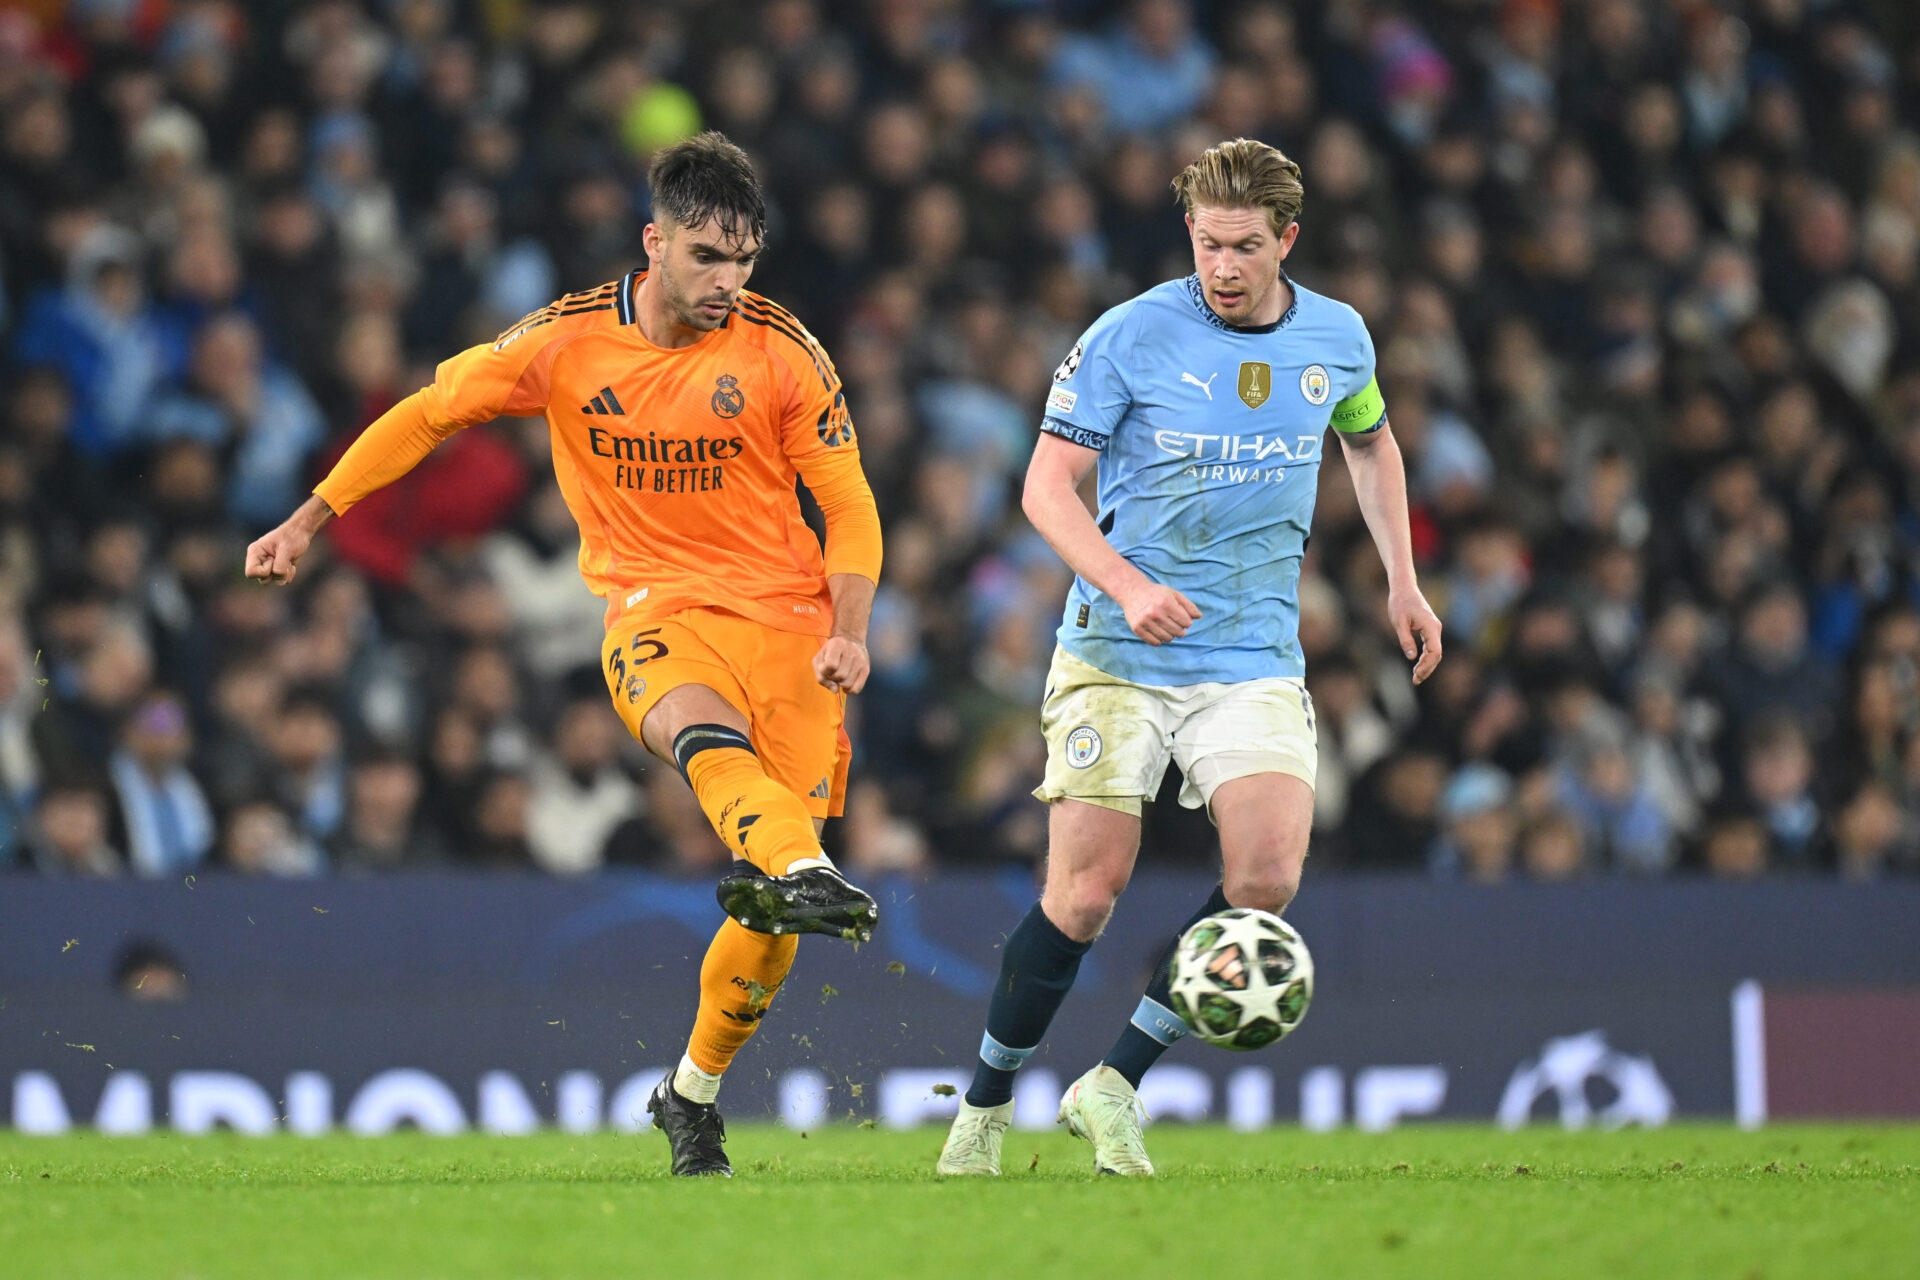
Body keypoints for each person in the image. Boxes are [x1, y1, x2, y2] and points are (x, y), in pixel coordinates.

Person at [244, 133, 883, 1178]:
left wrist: (852, 626)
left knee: (770, 922)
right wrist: (311, 518)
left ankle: (690, 1093)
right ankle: (802, 858)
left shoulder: (783, 351)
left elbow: (850, 505)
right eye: (707, 257)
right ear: (655, 241)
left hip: (794, 629)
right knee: (701, 739)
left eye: (744, 260)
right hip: (651, 609)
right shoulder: (567, 339)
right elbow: (427, 412)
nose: (729, 282)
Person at [938, 138, 1442, 1176]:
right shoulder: (1129, 336)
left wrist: (1402, 577)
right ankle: (985, 1106)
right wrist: (1126, 584)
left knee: (1266, 875)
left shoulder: (1339, 339)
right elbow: (1044, 487)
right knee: (1085, 893)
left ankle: (1113, 1079)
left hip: (1252, 652)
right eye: (1208, 242)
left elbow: (1371, 441)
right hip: (1116, 649)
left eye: (1245, 246)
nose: (1222, 265)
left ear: (1286, 240)